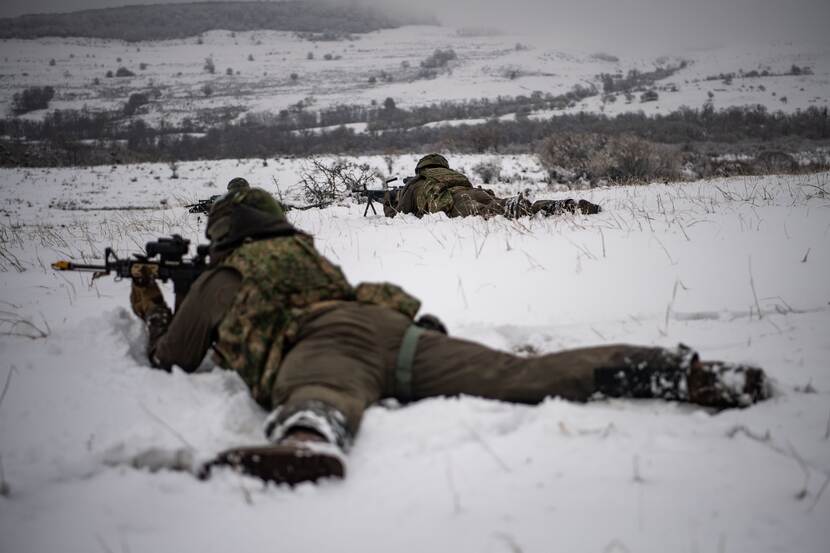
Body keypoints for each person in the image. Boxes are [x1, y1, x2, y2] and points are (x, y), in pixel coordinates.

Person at [130, 185, 769, 485]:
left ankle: (307, 443)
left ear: (222, 234)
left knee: (323, 393)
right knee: (523, 376)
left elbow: (172, 357)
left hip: (325, 346)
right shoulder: (304, 252)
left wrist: (153, 307)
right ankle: (673, 370)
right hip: (392, 331)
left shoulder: (225, 274)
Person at [384, 154, 602, 219]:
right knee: (502, 204)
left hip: (454, 202)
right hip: (475, 192)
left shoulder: (416, 182)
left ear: (420, 168)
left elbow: (400, 214)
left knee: (493, 213)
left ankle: (517, 207)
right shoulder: (453, 174)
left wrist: (388, 200)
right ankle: (563, 206)